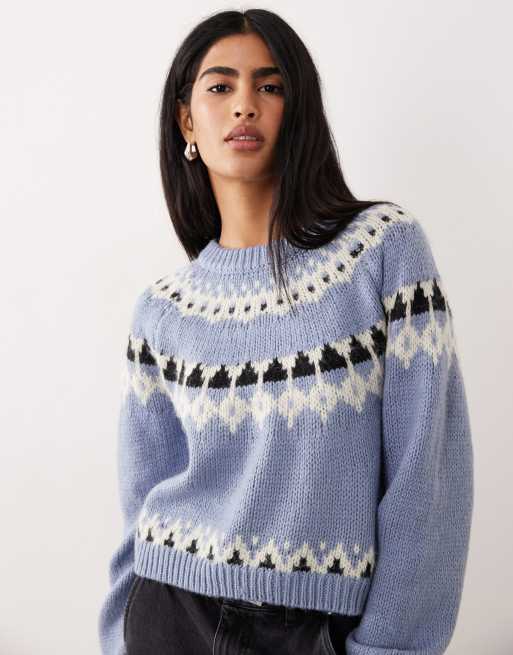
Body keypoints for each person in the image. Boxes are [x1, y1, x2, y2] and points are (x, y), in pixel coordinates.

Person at [98, 8, 474, 655]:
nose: (244, 104)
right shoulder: (162, 311)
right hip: (169, 617)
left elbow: (428, 478)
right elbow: (139, 505)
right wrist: (119, 634)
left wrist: (391, 645)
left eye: (269, 86)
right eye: (220, 86)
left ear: (296, 111)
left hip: (314, 629)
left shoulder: (382, 251)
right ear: (186, 121)